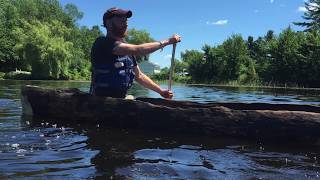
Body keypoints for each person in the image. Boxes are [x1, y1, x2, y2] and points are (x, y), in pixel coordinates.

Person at [90, 7, 181, 99]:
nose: (125, 21)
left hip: (120, 100)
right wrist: (167, 41)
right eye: (120, 17)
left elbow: (139, 76)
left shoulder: (127, 50)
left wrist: (161, 91)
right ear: (108, 23)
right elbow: (138, 50)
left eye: (126, 18)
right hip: (100, 100)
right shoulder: (102, 43)